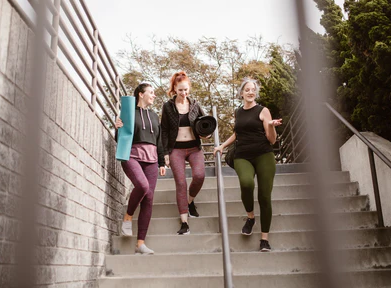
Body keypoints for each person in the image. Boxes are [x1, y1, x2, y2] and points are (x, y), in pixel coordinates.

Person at [214, 77, 282, 252]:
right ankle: (250, 217)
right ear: (242, 93)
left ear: (255, 93)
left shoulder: (263, 110)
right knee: (246, 183)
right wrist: (222, 145)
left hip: (263, 154)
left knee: (264, 196)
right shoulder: (238, 112)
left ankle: (264, 239)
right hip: (242, 155)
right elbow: (237, 133)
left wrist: (272, 126)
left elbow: (272, 140)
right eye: (247, 89)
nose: (250, 92)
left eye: (253, 89)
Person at [115, 83, 166, 254]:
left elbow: (159, 141)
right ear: (141, 94)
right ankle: (128, 217)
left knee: (149, 198)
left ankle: (140, 244)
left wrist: (161, 162)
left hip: (151, 159)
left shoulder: (154, 116)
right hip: (132, 156)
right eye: (151, 92)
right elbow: (121, 136)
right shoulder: (129, 113)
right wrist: (117, 127)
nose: (154, 95)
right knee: (143, 186)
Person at [161, 71, 209, 235]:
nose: (183, 93)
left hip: (194, 148)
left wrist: (206, 133)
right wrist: (165, 152)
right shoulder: (168, 106)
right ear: (174, 88)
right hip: (176, 149)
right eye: (180, 90)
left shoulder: (195, 104)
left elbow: (205, 123)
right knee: (181, 183)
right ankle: (184, 223)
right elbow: (165, 130)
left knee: (199, 176)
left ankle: (190, 201)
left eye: (186, 90)